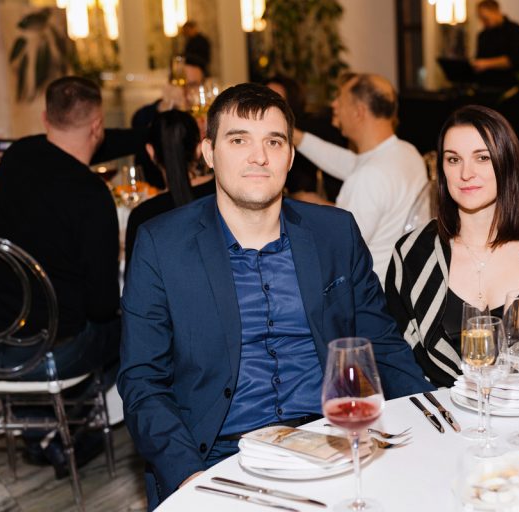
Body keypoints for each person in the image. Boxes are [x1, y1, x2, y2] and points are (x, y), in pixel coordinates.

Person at [118, 82, 434, 509]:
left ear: (290, 155)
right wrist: (189, 474)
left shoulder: (334, 233)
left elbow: (383, 345)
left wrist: (427, 416)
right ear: (209, 152)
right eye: (238, 140)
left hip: (334, 441)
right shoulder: (163, 245)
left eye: (273, 141)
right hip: (217, 459)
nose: (259, 156)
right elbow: (142, 381)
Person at [0, 76, 143, 476]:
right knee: (140, 327)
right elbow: (101, 306)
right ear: (97, 126)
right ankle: (69, 420)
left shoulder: (17, 156)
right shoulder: (92, 195)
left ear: (45, 118)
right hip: (43, 360)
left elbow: (74, 146)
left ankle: (40, 420)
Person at [385, 105, 519, 388]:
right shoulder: (412, 255)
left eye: (482, 158)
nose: (466, 173)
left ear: (506, 162)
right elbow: (394, 357)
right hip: (441, 409)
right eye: (453, 159)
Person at [293, 73, 428, 283]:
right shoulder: (407, 152)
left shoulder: (369, 177)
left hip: (373, 292)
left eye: (340, 99)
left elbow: (338, 251)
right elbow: (348, 163)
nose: (333, 105)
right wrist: (294, 136)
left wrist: (314, 209)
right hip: (406, 282)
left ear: (359, 112)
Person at [124, 110, 215, 268]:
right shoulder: (222, 192)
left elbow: (134, 278)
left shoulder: (143, 216)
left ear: (150, 151)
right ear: (199, 149)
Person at [132, 34, 212, 189]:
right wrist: (165, 107)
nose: (186, 91)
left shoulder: (209, 114)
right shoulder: (154, 112)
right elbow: (139, 127)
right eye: (182, 84)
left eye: (193, 85)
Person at [263, 74, 345, 202]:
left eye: (275, 100)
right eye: (263, 98)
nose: (267, 105)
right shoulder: (257, 137)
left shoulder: (313, 129)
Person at [471, 0, 519, 90]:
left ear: (495, 11)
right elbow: (479, 58)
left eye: (485, 18)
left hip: (508, 87)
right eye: (481, 18)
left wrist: (485, 64)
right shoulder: (483, 35)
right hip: (485, 87)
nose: (483, 22)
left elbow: (512, 60)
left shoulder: (515, 30)